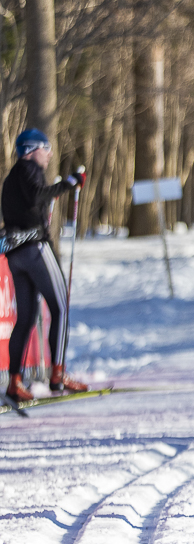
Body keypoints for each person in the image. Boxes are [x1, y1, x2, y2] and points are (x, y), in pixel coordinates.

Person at [2, 128, 88, 403]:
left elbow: (31, 201)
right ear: (31, 150)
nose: (50, 154)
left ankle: (14, 380)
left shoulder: (12, 177)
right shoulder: (29, 170)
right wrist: (70, 183)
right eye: (46, 148)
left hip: (15, 255)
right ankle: (58, 373)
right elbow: (38, 195)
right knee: (60, 306)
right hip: (36, 249)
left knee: (26, 318)